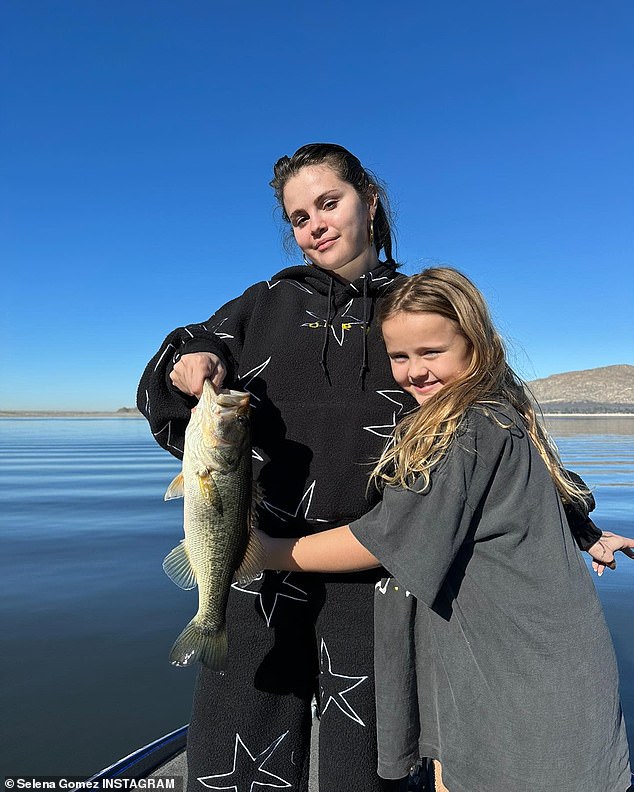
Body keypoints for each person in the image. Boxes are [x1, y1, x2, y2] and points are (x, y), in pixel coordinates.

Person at [137, 144, 615, 792]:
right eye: (300, 216)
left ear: (370, 199)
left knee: (360, 762)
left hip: (376, 572)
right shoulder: (264, 304)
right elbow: (194, 345)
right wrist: (186, 365)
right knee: (235, 748)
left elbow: (499, 422)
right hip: (256, 563)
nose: (315, 225)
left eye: (328, 203)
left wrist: (576, 521)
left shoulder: (412, 309)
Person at [256, 267, 634, 792]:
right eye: (399, 356)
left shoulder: (470, 429)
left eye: (432, 352)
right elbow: (536, 494)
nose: (414, 372)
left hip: (521, 680)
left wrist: (262, 553)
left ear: (475, 347)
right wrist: (588, 531)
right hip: (523, 661)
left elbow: (381, 537)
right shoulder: (502, 414)